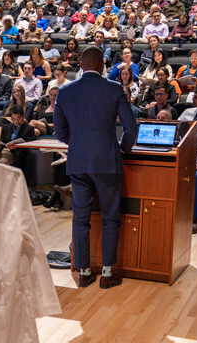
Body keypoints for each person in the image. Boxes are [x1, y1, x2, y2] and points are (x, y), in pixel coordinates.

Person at [54, 46, 137, 289]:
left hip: (78, 161)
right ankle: (108, 273)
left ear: (80, 65)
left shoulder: (65, 91)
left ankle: (84, 272)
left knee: (80, 219)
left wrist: (79, 143)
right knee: (110, 218)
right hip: (107, 161)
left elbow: (60, 132)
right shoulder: (114, 89)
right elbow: (131, 128)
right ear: (102, 65)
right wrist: (124, 148)